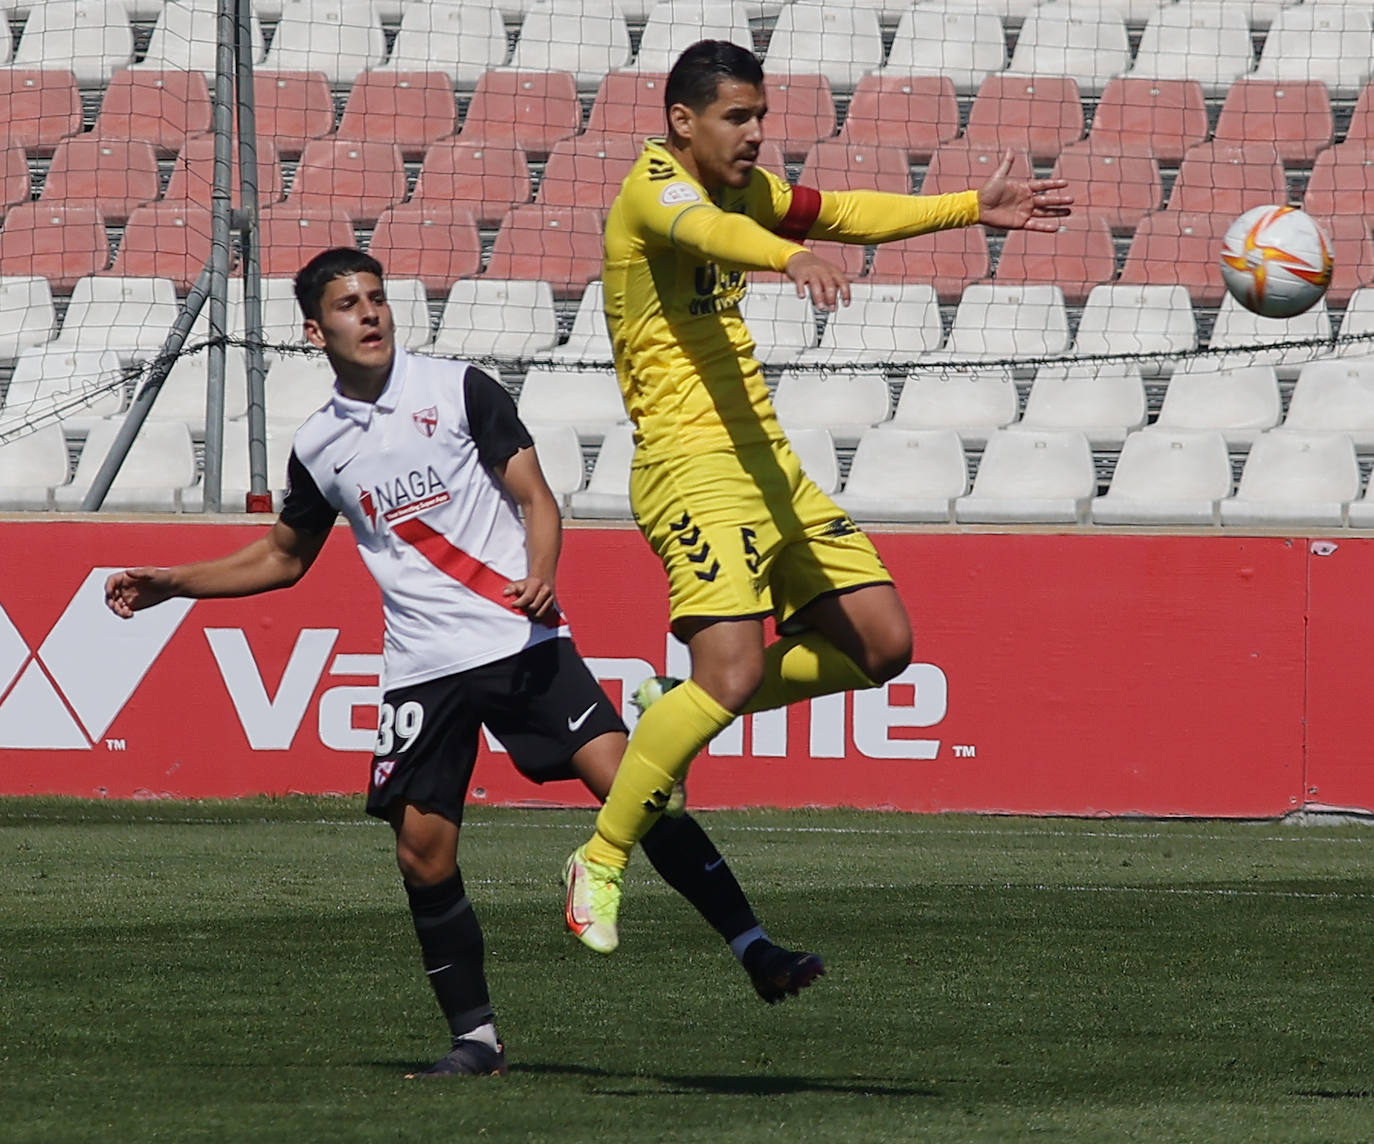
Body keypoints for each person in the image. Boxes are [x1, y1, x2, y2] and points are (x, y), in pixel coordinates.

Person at [103, 248, 826, 1080]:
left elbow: (535, 496)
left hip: (518, 641)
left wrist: (544, 569)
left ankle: (756, 947)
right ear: (315, 330)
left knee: (636, 784)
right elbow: (282, 555)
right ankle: (476, 1040)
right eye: (348, 304)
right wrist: (173, 585)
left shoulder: (458, 389)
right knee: (422, 853)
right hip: (422, 668)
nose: (369, 313)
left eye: (376, 298)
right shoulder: (319, 446)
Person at [561, 40, 1074, 950]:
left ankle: (669, 711)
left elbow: (841, 211)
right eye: (738, 118)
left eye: (760, 116)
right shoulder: (656, 189)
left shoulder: (745, 190)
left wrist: (969, 209)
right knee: (732, 671)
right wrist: (785, 260)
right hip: (688, 464)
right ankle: (601, 858)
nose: (756, 134)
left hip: (768, 463)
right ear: (683, 121)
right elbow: (714, 236)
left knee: (884, 646)